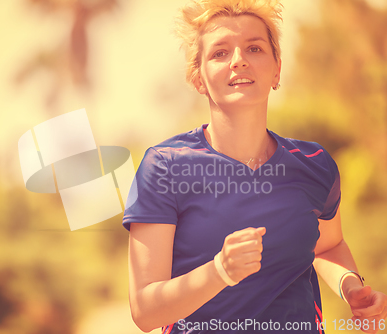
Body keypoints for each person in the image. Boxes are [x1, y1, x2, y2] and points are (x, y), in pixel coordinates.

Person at [122, 0, 387, 333]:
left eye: (254, 48)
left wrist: (351, 287)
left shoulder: (314, 165)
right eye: (219, 53)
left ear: (277, 69)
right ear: (198, 77)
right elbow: (145, 311)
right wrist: (219, 271)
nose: (239, 61)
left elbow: (328, 245)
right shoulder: (164, 168)